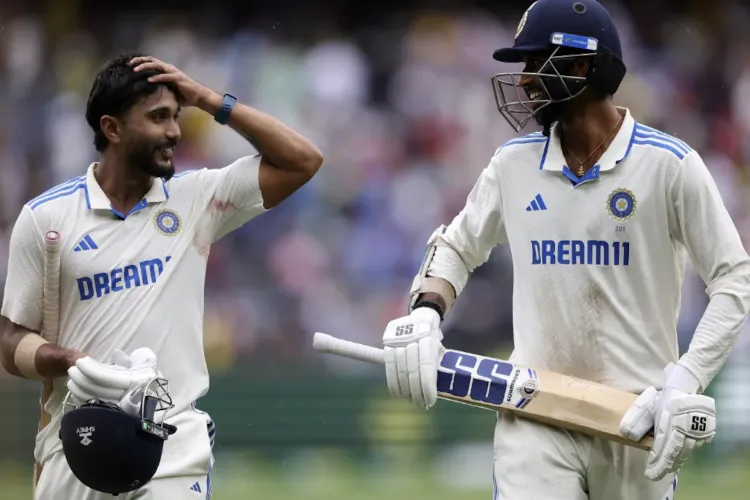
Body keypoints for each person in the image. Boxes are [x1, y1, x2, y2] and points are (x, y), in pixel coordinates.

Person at [379, 1, 750, 499]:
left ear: (581, 66)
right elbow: (456, 246)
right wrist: (427, 313)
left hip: (636, 417)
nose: (526, 80)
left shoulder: (669, 166)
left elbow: (734, 279)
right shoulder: (512, 164)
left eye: (537, 63)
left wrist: (685, 379)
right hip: (534, 409)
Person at [0, 52, 323, 499]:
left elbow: (302, 161)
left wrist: (210, 100)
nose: (174, 130)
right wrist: (68, 361)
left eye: (176, 115)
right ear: (112, 128)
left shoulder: (195, 198)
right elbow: (12, 339)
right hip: (77, 441)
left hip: (171, 443)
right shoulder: (45, 219)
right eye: (157, 117)